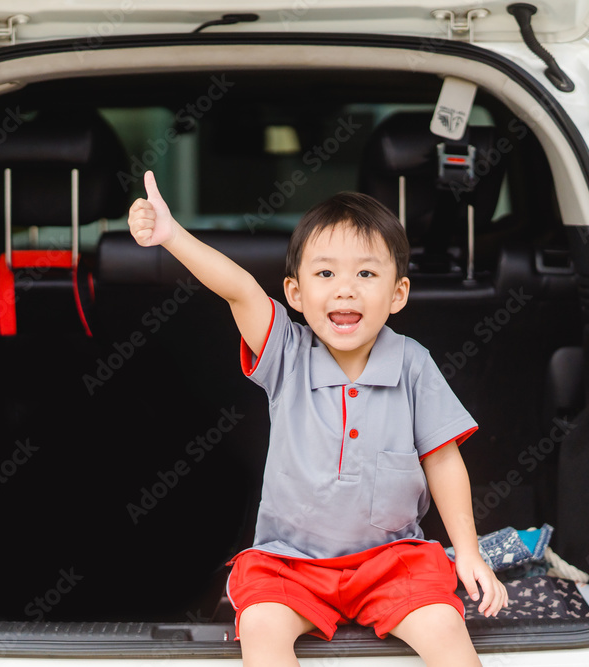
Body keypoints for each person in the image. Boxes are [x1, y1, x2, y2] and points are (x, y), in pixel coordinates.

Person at [128, 171, 507, 667]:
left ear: (398, 293)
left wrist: (470, 552)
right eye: (325, 274)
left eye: (366, 275)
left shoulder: (413, 364)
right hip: (290, 563)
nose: (345, 290)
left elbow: (443, 460)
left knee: (446, 629)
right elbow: (239, 289)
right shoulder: (286, 352)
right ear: (295, 293)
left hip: (393, 562)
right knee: (262, 627)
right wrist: (172, 235)